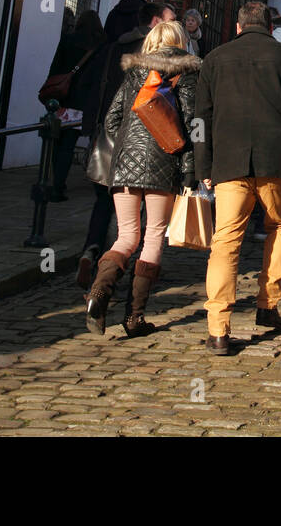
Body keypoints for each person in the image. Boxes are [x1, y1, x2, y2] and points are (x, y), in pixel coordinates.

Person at [195, 1, 281, 355]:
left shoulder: (215, 59)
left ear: (237, 26)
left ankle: (218, 327)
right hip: (276, 159)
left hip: (229, 161)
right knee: (280, 225)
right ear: (270, 26)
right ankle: (268, 305)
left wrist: (203, 167)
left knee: (226, 240)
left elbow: (200, 119)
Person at [84, 21, 201, 336]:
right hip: (165, 165)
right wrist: (191, 168)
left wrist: (124, 151)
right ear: (180, 42)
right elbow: (193, 125)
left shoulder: (134, 72)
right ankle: (134, 317)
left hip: (124, 166)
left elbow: (112, 119)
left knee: (126, 237)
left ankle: (98, 293)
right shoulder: (187, 73)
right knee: (153, 237)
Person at [70, 0, 173, 288]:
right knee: (140, 215)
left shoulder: (113, 47)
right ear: (155, 22)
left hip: (107, 137)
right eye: (169, 20)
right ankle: (137, 268)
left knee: (103, 202)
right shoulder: (155, 56)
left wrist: (91, 128)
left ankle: (91, 250)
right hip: (143, 142)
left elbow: (95, 87)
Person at [46, 10, 105, 201]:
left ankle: (56, 183)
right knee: (73, 144)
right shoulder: (99, 45)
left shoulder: (68, 40)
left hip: (62, 100)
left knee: (58, 144)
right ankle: (93, 183)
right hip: (84, 101)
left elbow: (55, 68)